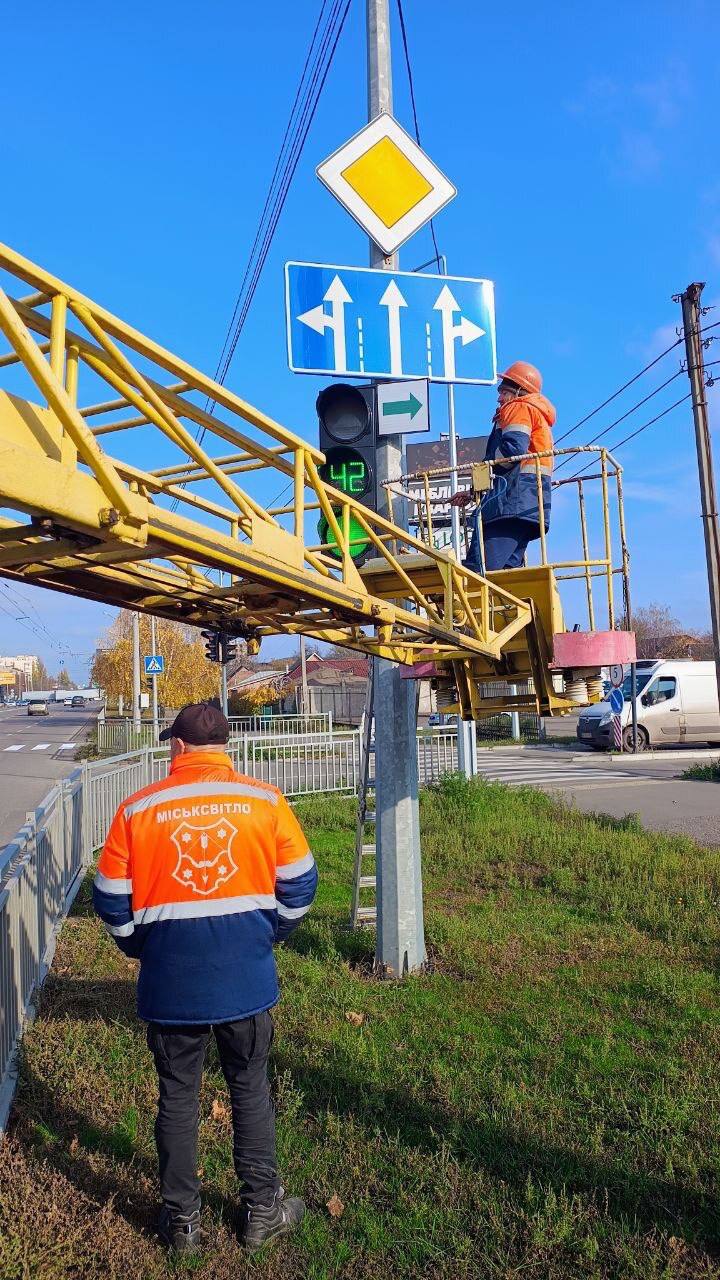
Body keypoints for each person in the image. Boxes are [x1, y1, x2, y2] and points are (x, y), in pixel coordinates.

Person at [93, 700, 318, 1254]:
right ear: (226, 749)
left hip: (172, 983)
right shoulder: (265, 801)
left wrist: (141, 947)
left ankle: (183, 1224)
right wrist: (269, 936)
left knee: (177, 1096)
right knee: (250, 1090)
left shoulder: (136, 809)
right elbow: (301, 881)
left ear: (176, 747)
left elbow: (110, 898)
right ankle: (262, 1211)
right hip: (246, 978)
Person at [452, 361, 556, 572]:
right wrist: (474, 492)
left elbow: (512, 452)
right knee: (507, 578)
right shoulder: (536, 414)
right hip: (528, 506)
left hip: (508, 503)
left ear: (519, 391)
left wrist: (483, 470)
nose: (499, 397)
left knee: (478, 571)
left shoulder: (518, 406)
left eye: (504, 391)